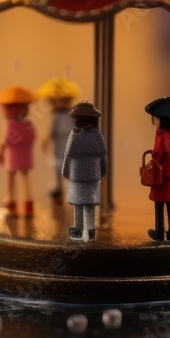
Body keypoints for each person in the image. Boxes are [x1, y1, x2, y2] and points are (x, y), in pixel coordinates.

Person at [143, 96, 170, 242]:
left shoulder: (161, 134)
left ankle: (159, 232)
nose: (154, 122)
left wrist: (152, 160)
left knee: (159, 203)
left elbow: (158, 152)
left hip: (162, 172)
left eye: (155, 119)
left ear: (161, 119)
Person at [61, 100, 107, 241]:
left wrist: (65, 171)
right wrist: (103, 171)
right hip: (93, 175)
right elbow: (102, 156)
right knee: (90, 204)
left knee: (78, 204)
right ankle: (91, 229)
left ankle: (79, 229)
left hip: (77, 175)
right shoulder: (97, 136)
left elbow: (68, 155)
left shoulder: (75, 135)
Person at [0, 86, 37, 216]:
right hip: (25, 156)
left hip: (12, 157)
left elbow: (6, 141)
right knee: (25, 178)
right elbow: (32, 138)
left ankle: (11, 201)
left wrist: (0, 150)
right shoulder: (30, 123)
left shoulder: (10, 124)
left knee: (11, 178)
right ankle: (28, 202)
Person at [38, 77, 82, 200]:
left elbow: (77, 128)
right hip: (59, 147)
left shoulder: (73, 115)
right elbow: (52, 131)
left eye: (61, 100)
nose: (58, 103)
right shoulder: (56, 116)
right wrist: (46, 140)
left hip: (71, 145)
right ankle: (58, 188)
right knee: (58, 168)